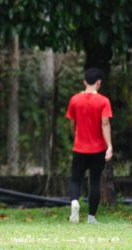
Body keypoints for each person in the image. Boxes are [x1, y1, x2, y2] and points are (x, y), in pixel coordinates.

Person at [66, 67, 113, 224]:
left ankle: (74, 202)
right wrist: (109, 146)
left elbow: (72, 123)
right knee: (94, 181)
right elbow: (105, 123)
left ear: (84, 81)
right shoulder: (103, 101)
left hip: (79, 147)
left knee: (75, 180)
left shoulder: (74, 100)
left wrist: (76, 135)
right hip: (98, 149)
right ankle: (91, 217)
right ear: (98, 82)